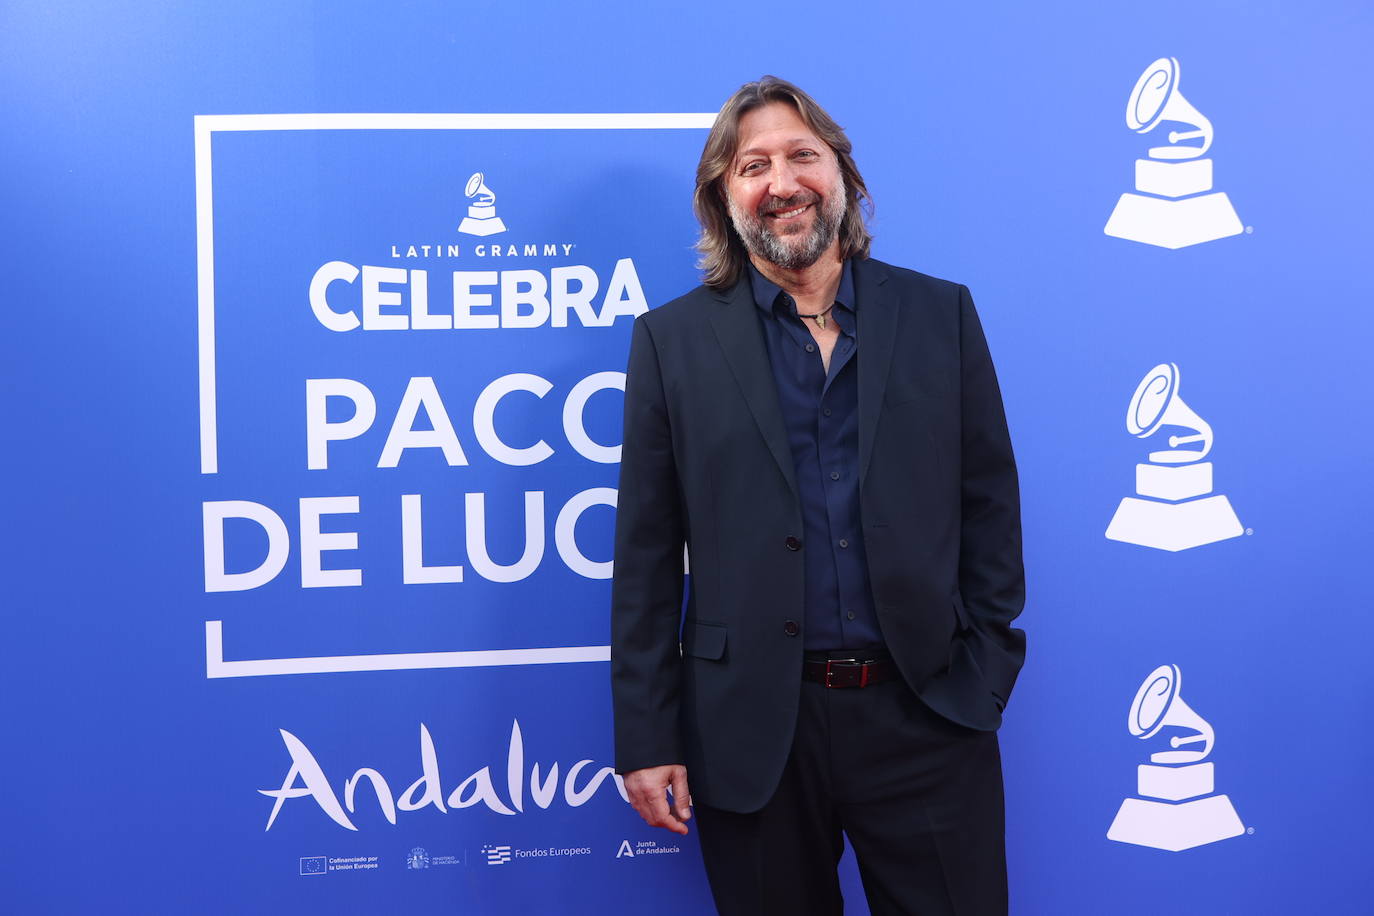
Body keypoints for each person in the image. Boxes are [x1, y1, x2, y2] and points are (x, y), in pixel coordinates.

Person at [610, 75, 1025, 915]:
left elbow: (990, 506)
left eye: (803, 155)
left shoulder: (941, 315)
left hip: (927, 716)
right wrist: (647, 737)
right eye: (752, 165)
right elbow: (648, 557)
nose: (782, 182)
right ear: (724, 198)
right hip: (753, 732)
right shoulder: (672, 342)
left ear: (843, 175)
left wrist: (982, 673)